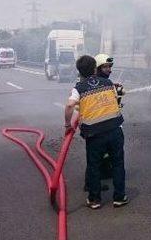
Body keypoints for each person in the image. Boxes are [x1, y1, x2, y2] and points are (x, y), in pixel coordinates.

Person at [64, 55, 128, 209]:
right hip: (114, 130)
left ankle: (94, 200)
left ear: (79, 71)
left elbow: (69, 106)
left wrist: (68, 125)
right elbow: (114, 99)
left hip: (94, 134)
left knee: (94, 166)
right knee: (118, 164)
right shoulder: (107, 82)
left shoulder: (79, 87)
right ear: (95, 68)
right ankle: (119, 198)